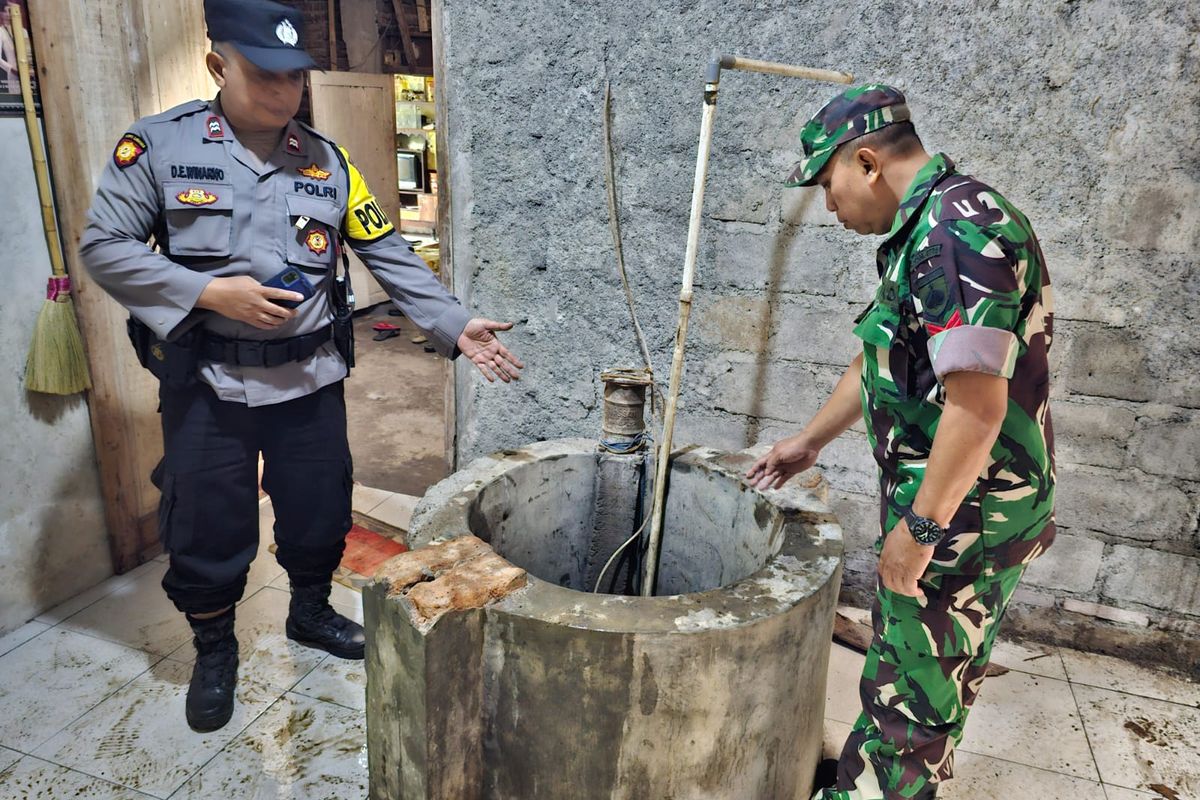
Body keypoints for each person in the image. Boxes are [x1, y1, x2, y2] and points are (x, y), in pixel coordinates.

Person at [79, 0, 524, 734]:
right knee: (207, 527)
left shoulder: (325, 160)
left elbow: (385, 250)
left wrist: (452, 321)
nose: (286, 93)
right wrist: (207, 291)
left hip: (310, 380)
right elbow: (105, 248)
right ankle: (215, 649)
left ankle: (309, 613)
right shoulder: (157, 147)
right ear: (219, 64)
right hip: (208, 383)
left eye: (296, 77)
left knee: (318, 512)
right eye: (266, 76)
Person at [747, 85, 1055, 800]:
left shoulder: (955, 237)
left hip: (963, 517)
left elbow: (977, 412)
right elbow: (882, 358)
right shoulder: (926, 228)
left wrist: (918, 530)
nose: (828, 205)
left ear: (865, 161)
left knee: (910, 708)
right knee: (918, 674)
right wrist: (810, 441)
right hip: (954, 506)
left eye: (828, 184)